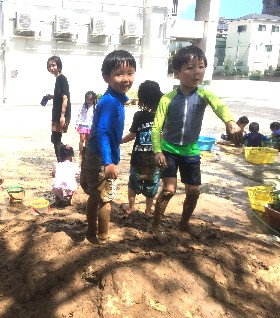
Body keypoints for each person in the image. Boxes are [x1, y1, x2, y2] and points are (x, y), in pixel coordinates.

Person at [151, 45, 243, 235]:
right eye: (190, 67)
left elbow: (219, 106)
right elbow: (156, 128)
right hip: (168, 150)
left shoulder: (204, 95)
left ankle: (184, 223)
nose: (197, 72)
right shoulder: (167, 99)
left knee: (193, 191)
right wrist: (157, 150)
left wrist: (230, 121)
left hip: (191, 151)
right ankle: (156, 224)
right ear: (177, 73)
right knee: (169, 190)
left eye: (200, 67)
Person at [80, 50, 136, 243]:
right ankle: (103, 237)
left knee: (95, 196)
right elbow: (103, 132)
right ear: (107, 77)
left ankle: (90, 232)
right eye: (119, 74)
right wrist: (108, 162)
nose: (126, 79)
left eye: (130, 73)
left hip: (94, 153)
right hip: (101, 157)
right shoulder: (111, 102)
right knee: (105, 199)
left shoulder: (114, 99)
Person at [121, 80, 163, 217]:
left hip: (138, 157)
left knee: (133, 183)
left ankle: (131, 207)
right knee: (152, 185)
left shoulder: (139, 115)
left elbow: (132, 135)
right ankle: (148, 211)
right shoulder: (163, 115)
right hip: (155, 157)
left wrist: (118, 142)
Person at [46, 55, 71, 162]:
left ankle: (63, 160)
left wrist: (62, 116)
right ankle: (63, 159)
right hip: (57, 113)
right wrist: (52, 96)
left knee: (56, 139)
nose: (51, 68)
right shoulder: (58, 79)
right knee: (55, 138)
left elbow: (65, 98)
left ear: (59, 66)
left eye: (54, 65)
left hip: (61, 115)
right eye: (50, 65)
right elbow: (60, 96)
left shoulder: (62, 79)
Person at [75, 91, 96, 161]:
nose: (89, 101)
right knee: (82, 139)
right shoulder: (83, 106)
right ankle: (80, 153)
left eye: (91, 99)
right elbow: (79, 115)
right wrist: (77, 123)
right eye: (88, 99)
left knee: (88, 140)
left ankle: (86, 152)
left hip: (90, 125)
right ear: (85, 99)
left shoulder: (94, 107)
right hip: (83, 124)